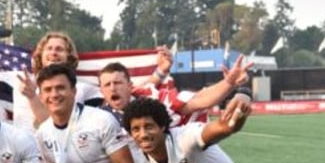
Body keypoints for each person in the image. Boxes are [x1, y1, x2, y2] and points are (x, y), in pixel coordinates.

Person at [35, 64, 134, 163]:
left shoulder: (101, 119)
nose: (54, 94)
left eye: (60, 88)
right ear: (40, 96)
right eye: (47, 90)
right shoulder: (42, 132)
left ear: (73, 92)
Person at [123, 96, 253, 163]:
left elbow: (224, 128)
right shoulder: (136, 158)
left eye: (149, 126)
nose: (143, 135)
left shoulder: (185, 139)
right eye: (136, 129)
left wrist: (242, 98)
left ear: (162, 126)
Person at [98, 53, 253, 128]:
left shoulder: (150, 100)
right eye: (107, 85)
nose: (112, 88)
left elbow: (195, 102)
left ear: (130, 86)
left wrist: (229, 83)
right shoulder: (97, 117)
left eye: (117, 82)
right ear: (101, 90)